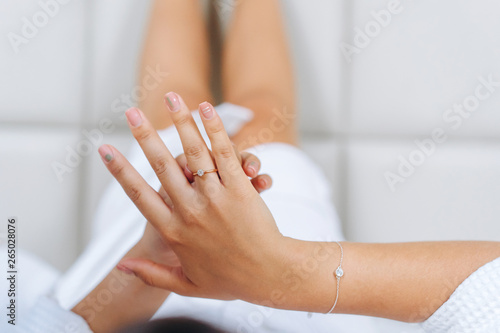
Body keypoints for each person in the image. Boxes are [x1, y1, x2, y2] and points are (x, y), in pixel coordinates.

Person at [14, 1, 500, 332]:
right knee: (259, 111)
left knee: (180, 105)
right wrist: (279, 273)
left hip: (138, 251)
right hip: (271, 228)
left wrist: (164, 247)